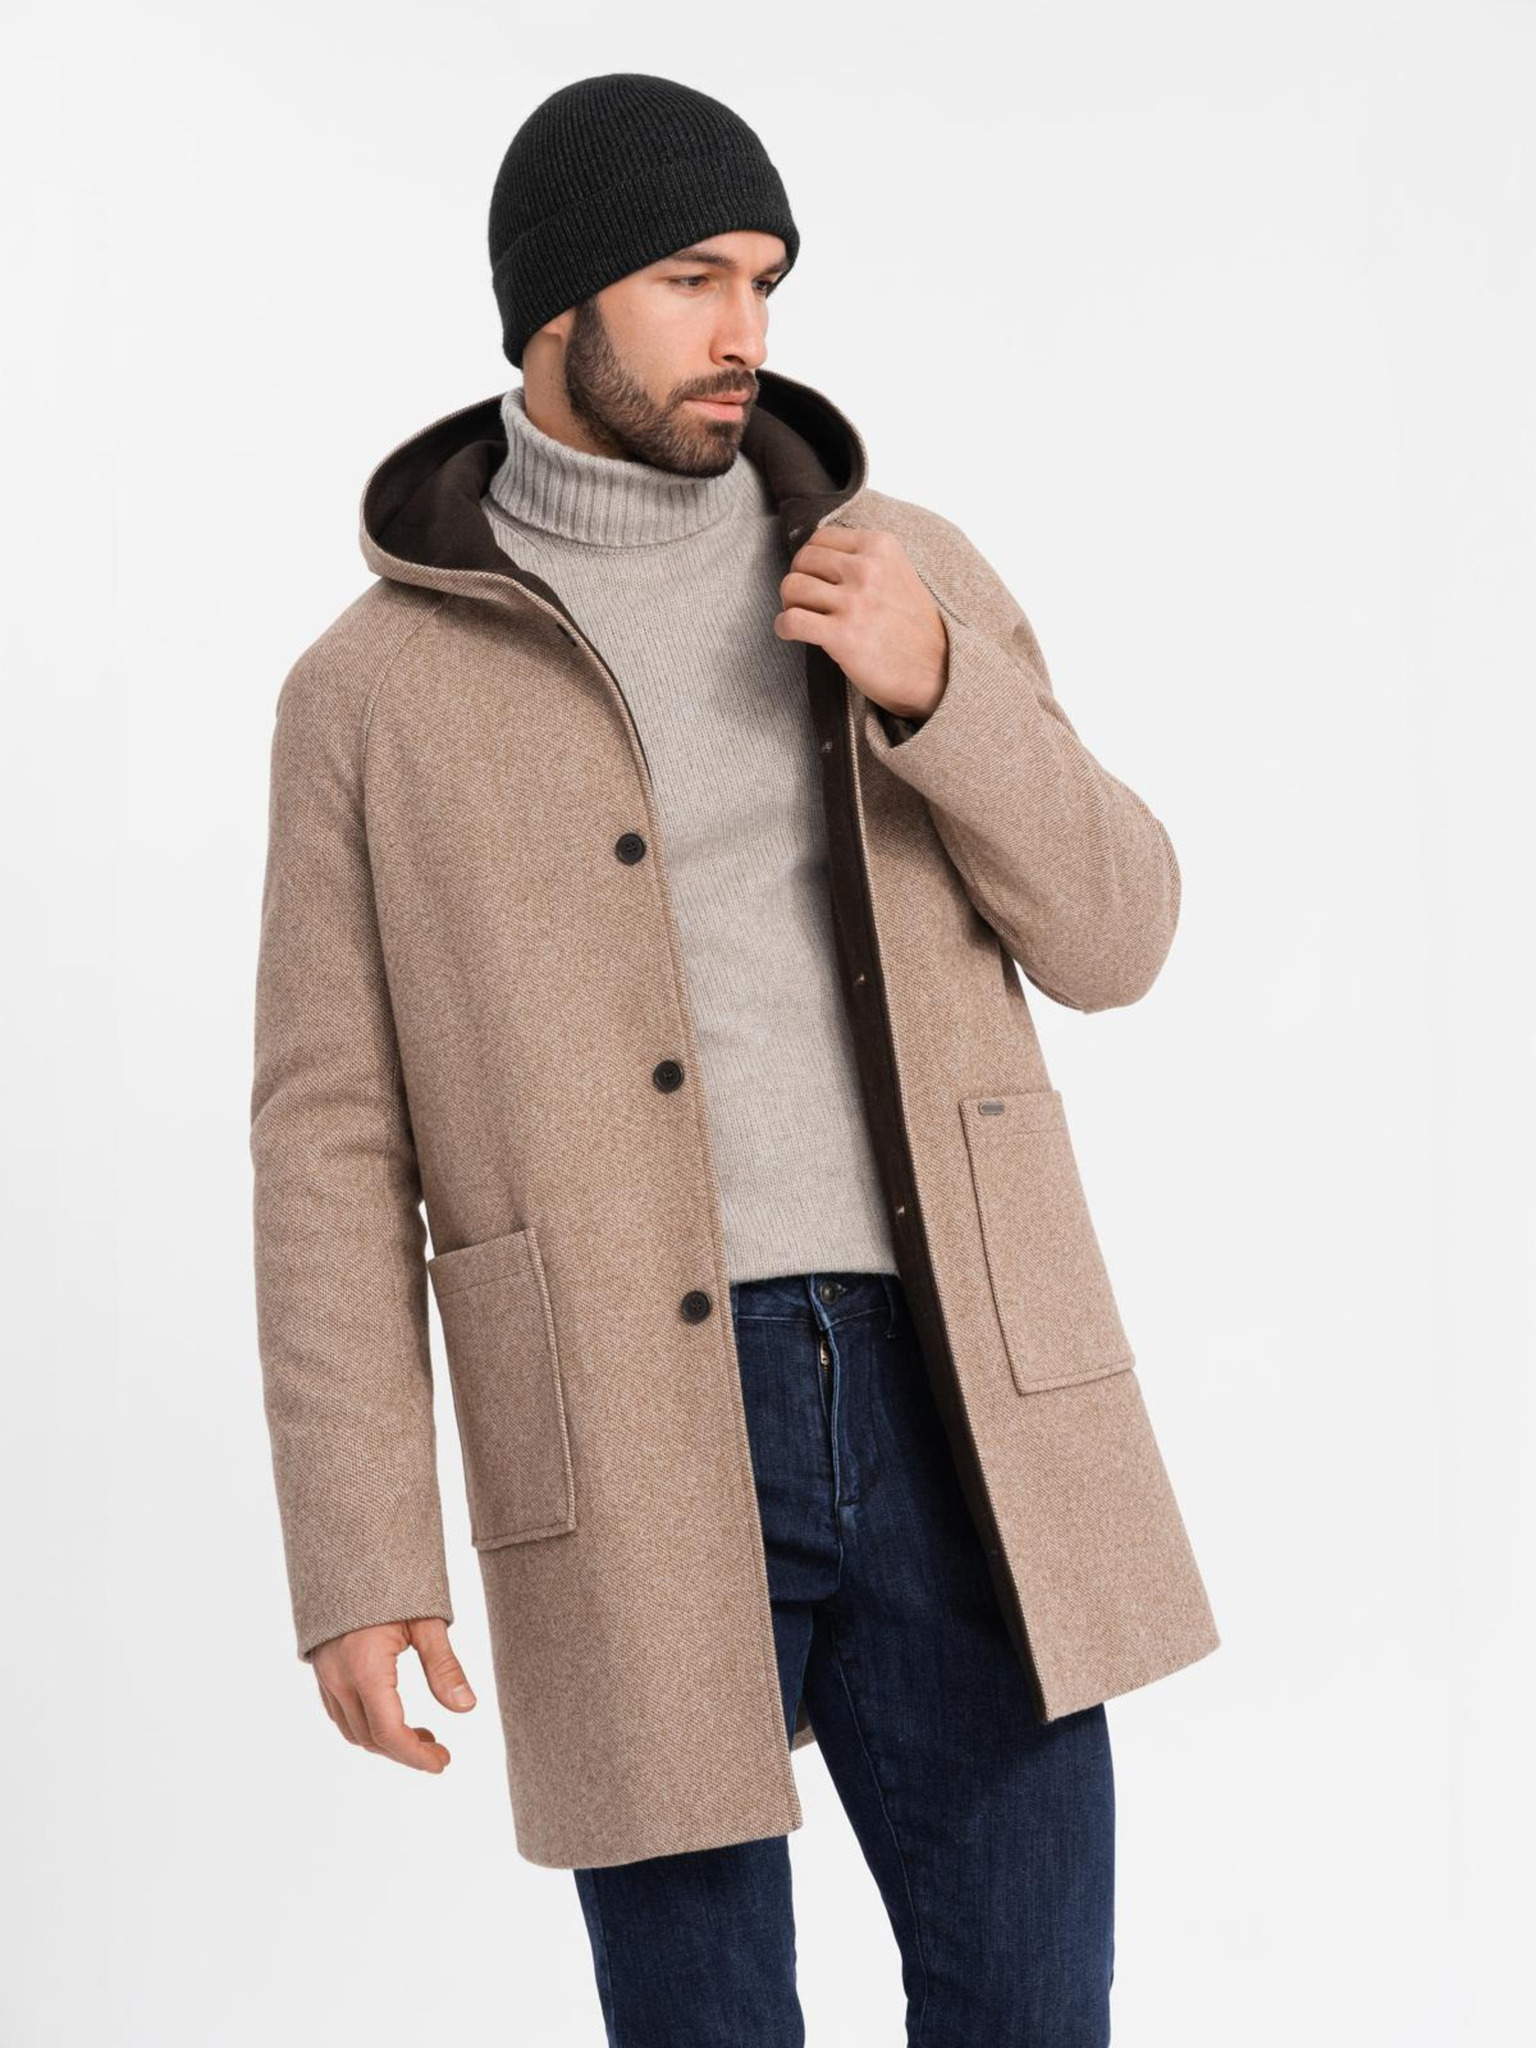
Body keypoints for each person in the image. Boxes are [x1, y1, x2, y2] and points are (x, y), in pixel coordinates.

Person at [250, 70, 1220, 2047]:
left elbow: (1119, 934)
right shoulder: (372, 691)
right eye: (691, 278)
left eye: (764, 281)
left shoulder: (900, 566)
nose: (744, 329)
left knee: (1035, 2009)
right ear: (556, 305)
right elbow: (327, 1141)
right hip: (627, 1420)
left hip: (955, 1396)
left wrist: (940, 689)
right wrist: (359, 1550)